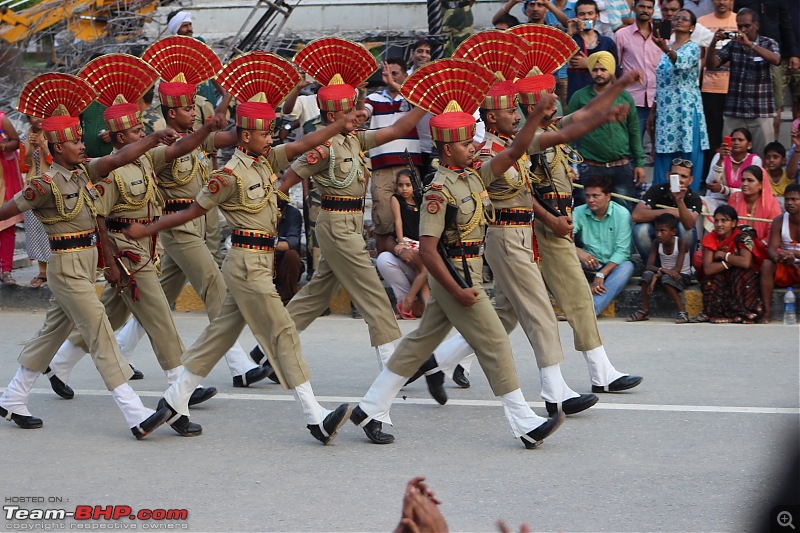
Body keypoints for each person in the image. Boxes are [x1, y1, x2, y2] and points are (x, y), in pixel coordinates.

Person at [125, 51, 361, 444]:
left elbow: (305, 142)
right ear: (246, 136)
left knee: (217, 336)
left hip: (257, 261)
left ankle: (171, 402)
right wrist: (145, 229)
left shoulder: (267, 160)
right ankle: (315, 416)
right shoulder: (227, 175)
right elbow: (188, 214)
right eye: (265, 134)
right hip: (247, 264)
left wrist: (340, 123)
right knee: (282, 331)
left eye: (272, 134)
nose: (272, 139)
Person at [349, 57, 565, 449]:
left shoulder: (472, 174)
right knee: (496, 342)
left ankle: (370, 408)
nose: (475, 146)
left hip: (468, 270)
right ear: (448, 149)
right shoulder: (437, 192)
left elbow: (515, 149)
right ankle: (523, 421)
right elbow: (429, 252)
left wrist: (535, 114)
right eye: (467, 142)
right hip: (454, 275)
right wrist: (460, 289)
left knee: (418, 344)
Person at [43, 56, 221, 435]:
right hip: (124, 252)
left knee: (113, 313)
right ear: (121, 138)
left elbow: (178, 148)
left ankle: (59, 363)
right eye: (137, 130)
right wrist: (109, 263)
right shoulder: (111, 171)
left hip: (145, 248)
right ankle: (179, 402)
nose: (143, 131)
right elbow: (100, 221)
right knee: (159, 317)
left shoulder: (144, 161)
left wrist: (207, 127)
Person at [0, 73, 170, 438]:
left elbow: (121, 155)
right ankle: (135, 413)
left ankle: (13, 397)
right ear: (58, 148)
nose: (82, 144)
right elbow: (7, 209)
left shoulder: (84, 173)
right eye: (75, 141)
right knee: (99, 331)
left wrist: (153, 137)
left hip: (85, 263)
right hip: (65, 267)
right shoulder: (44, 185)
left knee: (51, 333)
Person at [102, 35, 267, 389]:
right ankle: (240, 365)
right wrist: (209, 125)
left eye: (195, 107)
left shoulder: (196, 133)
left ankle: (99, 352)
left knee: (148, 297)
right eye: (189, 108)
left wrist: (250, 102)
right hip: (175, 225)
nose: (195, 112)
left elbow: (237, 135)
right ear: (172, 112)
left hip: (198, 222)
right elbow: (184, 146)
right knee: (213, 285)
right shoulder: (159, 143)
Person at [263, 38, 426, 372]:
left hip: (350, 223)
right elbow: (288, 178)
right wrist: (269, 210)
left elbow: (398, 128)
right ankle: (395, 364)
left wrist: (425, 100)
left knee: (316, 295)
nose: (359, 111)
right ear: (335, 113)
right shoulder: (323, 146)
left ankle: (268, 348)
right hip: (336, 224)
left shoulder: (355, 140)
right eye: (352, 107)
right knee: (372, 293)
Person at [568, 51, 645, 211]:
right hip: (590, 166)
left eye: (603, 69)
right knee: (586, 214)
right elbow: (568, 132)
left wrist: (639, 163)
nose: (599, 74)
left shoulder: (625, 97)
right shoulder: (579, 97)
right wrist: (567, 164)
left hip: (621, 166)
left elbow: (634, 132)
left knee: (623, 213)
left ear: (611, 70)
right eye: (595, 70)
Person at [364, 58, 422, 255]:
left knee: (414, 216)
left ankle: (413, 260)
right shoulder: (374, 99)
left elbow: (421, 105)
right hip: (382, 167)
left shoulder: (412, 98)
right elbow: (363, 112)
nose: (389, 77)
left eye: (395, 73)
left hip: (409, 166)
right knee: (383, 217)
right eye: (387, 74)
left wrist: (396, 85)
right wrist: (362, 96)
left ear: (406, 76)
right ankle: (384, 262)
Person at [705, 8, 781, 159]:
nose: (743, 30)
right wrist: (713, 43)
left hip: (760, 111)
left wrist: (751, 45)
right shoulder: (733, 45)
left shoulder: (768, 43)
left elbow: (776, 60)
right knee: (727, 156)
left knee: (763, 157)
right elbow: (712, 64)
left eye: (747, 26)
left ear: (757, 25)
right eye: (740, 27)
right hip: (735, 111)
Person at [650, 8, 709, 190]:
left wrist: (666, 49)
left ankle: (689, 197)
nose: (679, 20)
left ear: (692, 27)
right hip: (666, 110)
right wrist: (653, 110)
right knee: (665, 154)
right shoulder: (667, 47)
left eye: (684, 19)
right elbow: (661, 83)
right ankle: (661, 197)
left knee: (687, 155)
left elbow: (680, 62)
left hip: (686, 110)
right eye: (677, 18)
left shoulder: (693, 47)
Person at [734, 0, 800, 142]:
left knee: (777, 105)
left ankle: (778, 148)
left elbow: (785, 25)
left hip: (774, 54)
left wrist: (794, 53)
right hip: (745, 54)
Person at [573, 175, 635, 315]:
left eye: (595, 196)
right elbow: (563, 238)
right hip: (590, 261)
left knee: (627, 267)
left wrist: (601, 275)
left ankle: (591, 309)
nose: (590, 200)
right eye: (587, 196)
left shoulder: (622, 214)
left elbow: (623, 251)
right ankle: (570, 303)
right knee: (563, 256)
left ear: (608, 196)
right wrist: (577, 251)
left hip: (614, 264)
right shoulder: (579, 211)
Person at [694, 205, 763, 323]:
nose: (719, 224)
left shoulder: (742, 236)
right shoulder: (710, 238)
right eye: (716, 221)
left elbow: (746, 262)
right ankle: (716, 313)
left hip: (738, 273)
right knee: (713, 277)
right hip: (721, 272)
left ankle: (744, 312)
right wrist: (730, 262)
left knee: (742, 273)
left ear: (734, 223)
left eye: (724, 220)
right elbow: (708, 269)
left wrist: (724, 256)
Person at [697, 0, 737, 179]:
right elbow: (699, 59)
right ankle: (709, 177)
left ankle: (732, 177)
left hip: (735, 88)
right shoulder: (702, 22)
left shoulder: (740, 20)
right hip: (709, 88)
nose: (721, 2)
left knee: (733, 137)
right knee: (711, 137)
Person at [628, 213, 692, 323]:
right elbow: (649, 266)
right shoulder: (656, 243)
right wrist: (661, 272)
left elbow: (676, 271)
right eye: (657, 231)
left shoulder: (681, 243)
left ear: (673, 232)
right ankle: (644, 310)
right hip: (664, 275)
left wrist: (657, 275)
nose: (658, 234)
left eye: (663, 231)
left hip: (682, 276)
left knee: (666, 278)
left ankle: (682, 312)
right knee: (647, 274)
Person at [615, 0, 662, 146]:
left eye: (649, 7)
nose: (645, 10)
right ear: (634, 8)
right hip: (633, 98)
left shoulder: (661, 34)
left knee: (661, 147)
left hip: (659, 97)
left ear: (653, 11)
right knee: (632, 145)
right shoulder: (621, 35)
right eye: (642, 6)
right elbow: (616, 68)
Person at [632, 159, 702, 259]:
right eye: (675, 175)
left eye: (684, 176)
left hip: (678, 235)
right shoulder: (656, 190)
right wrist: (668, 212)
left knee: (686, 230)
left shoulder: (694, 198)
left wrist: (680, 201)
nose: (679, 179)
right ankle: (652, 267)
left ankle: (685, 269)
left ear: (690, 180)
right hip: (657, 232)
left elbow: (689, 224)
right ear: (668, 176)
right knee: (640, 229)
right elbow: (636, 215)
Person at [702, 127, 762, 232]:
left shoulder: (755, 160)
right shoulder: (719, 156)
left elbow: (751, 189)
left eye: (740, 140)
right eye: (733, 140)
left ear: (749, 145)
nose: (736, 142)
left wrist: (723, 189)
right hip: (717, 201)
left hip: (741, 203)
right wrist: (721, 160)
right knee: (701, 203)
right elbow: (710, 182)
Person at [388, 169, 428, 318]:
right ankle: (409, 300)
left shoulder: (420, 199)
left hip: (421, 242)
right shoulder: (396, 200)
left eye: (407, 185)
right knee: (424, 270)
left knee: (421, 271)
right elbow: (398, 221)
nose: (404, 189)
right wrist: (401, 242)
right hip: (408, 241)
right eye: (400, 185)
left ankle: (424, 307)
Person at [759, 183, 800, 323]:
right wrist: (779, 256)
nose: (790, 203)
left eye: (794, 199)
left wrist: (793, 253)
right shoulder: (779, 220)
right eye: (787, 199)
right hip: (786, 266)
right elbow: (771, 249)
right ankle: (767, 311)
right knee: (766, 265)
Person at [18, 115, 51, 287]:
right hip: (32, 188)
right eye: (32, 117)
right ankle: (43, 272)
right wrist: (30, 148)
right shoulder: (24, 138)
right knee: (36, 231)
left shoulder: (53, 135)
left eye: (40, 115)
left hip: (52, 188)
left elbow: (54, 162)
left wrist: (44, 146)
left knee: (51, 230)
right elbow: (23, 166)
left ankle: (56, 271)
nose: (37, 119)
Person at [566, 0, 620, 102]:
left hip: (603, 99)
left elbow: (615, 72)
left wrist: (589, 63)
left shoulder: (607, 43)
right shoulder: (571, 40)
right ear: (576, 16)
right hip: (577, 98)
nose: (586, 17)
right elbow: (555, 59)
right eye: (582, 14)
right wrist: (569, 34)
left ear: (597, 16)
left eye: (590, 13)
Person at [727, 165, 781, 245]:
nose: (745, 184)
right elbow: (727, 226)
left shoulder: (771, 203)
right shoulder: (735, 198)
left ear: (761, 185)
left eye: (750, 180)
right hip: (735, 245)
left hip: (763, 247)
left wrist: (754, 247)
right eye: (743, 180)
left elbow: (773, 233)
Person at [0, 110, 22, 285]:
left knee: (6, 224)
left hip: (3, 178)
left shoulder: (1, 119)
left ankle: (6, 270)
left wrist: (3, 146)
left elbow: (16, 142)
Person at [274, 198, 303, 305]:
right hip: (265, 263)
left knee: (292, 255)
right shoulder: (260, 214)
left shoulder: (293, 214)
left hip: (283, 267)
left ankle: (287, 300)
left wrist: (267, 242)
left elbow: (291, 243)